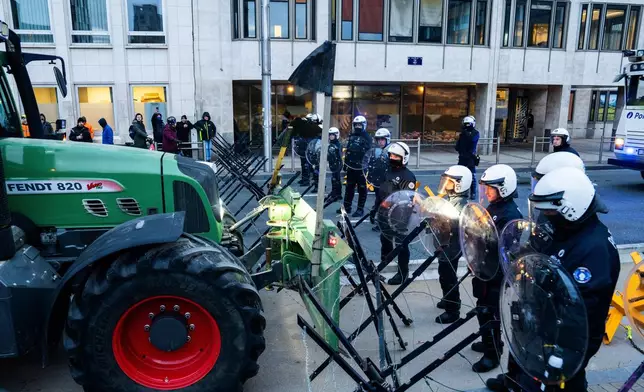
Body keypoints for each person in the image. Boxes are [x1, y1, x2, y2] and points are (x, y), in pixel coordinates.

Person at [509, 167, 619, 392]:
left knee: (562, 386)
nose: (546, 217)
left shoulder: (593, 249)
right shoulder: (569, 231)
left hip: (567, 343)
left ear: (570, 208)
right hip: (546, 330)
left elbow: (577, 309)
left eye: (549, 212)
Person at [484, 153, 587, 392]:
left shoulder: (584, 236)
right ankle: (514, 378)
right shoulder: (553, 213)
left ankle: (523, 381)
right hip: (532, 289)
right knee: (521, 335)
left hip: (554, 313)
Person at [471, 164, 522, 373]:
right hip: (484, 268)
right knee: (482, 308)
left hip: (496, 273)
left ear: (504, 187)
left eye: (491, 188)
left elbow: (504, 246)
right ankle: (488, 341)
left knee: (490, 312)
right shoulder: (495, 207)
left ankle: (492, 353)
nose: (487, 192)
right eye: (485, 187)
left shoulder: (510, 215)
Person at [434, 165, 472, 324]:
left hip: (453, 246)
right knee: (443, 273)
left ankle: (453, 309)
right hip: (446, 244)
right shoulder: (452, 199)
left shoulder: (461, 204)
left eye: (449, 181)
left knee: (449, 276)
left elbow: (456, 224)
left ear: (459, 184)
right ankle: (447, 298)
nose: (445, 183)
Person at [378, 142, 417, 286]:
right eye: (391, 155)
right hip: (384, 213)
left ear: (404, 158)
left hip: (399, 215)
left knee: (402, 245)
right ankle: (385, 260)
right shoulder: (387, 171)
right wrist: (376, 209)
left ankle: (403, 273)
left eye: (396, 156)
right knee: (385, 238)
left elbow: (407, 199)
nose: (392, 158)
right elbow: (381, 192)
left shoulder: (408, 177)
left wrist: (402, 218)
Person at [340, 115, 372, 217]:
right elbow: (348, 150)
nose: (357, 126)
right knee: (349, 188)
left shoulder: (367, 137)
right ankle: (346, 207)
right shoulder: (352, 136)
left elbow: (369, 152)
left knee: (362, 189)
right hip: (351, 167)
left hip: (361, 168)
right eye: (356, 125)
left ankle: (360, 209)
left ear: (364, 125)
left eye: (359, 124)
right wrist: (345, 164)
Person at [368, 128, 392, 231]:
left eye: (382, 139)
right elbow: (373, 164)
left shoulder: (392, 151)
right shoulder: (377, 151)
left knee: (385, 203)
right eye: (378, 139)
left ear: (387, 139)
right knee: (378, 200)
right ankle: (376, 215)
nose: (380, 142)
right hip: (378, 181)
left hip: (388, 182)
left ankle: (383, 224)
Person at [455, 116, 480, 200]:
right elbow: (457, 146)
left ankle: (473, 193)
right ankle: (461, 191)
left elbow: (472, 141)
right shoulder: (463, 134)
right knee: (460, 176)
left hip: (470, 158)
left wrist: (464, 134)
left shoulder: (475, 133)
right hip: (463, 157)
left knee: (472, 176)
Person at [326, 127, 343, 202]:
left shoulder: (337, 144)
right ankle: (336, 193)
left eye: (332, 135)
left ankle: (336, 194)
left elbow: (339, 155)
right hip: (332, 163)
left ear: (336, 135)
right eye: (330, 135)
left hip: (337, 163)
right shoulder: (331, 143)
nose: (331, 137)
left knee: (335, 179)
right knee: (335, 178)